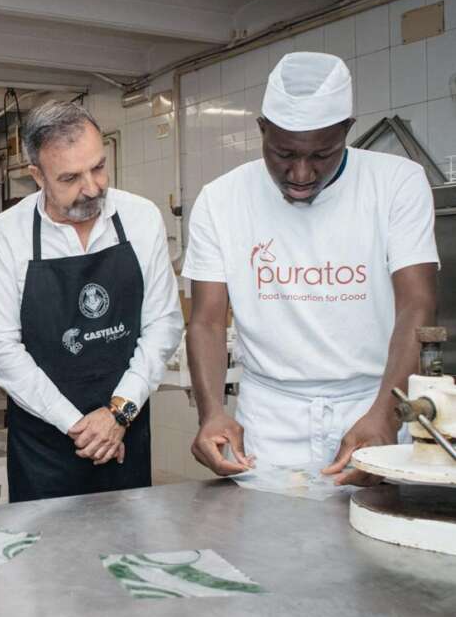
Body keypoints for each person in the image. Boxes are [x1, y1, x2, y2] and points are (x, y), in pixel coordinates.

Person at [183, 52, 438, 485]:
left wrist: (385, 413)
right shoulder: (221, 199)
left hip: (371, 403)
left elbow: (417, 304)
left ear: (347, 131)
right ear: (262, 129)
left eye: (323, 154)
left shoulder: (397, 183)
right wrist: (212, 413)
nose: (301, 173)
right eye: (283, 154)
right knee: (266, 545)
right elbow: (206, 320)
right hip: (268, 418)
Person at [0, 101, 182, 503]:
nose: (91, 187)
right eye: (71, 177)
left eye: (98, 167)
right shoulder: (8, 233)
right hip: (44, 442)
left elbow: (163, 323)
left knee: (128, 554)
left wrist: (118, 414)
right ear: (37, 175)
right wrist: (80, 425)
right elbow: (3, 348)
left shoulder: (141, 218)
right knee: (45, 560)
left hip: (125, 429)